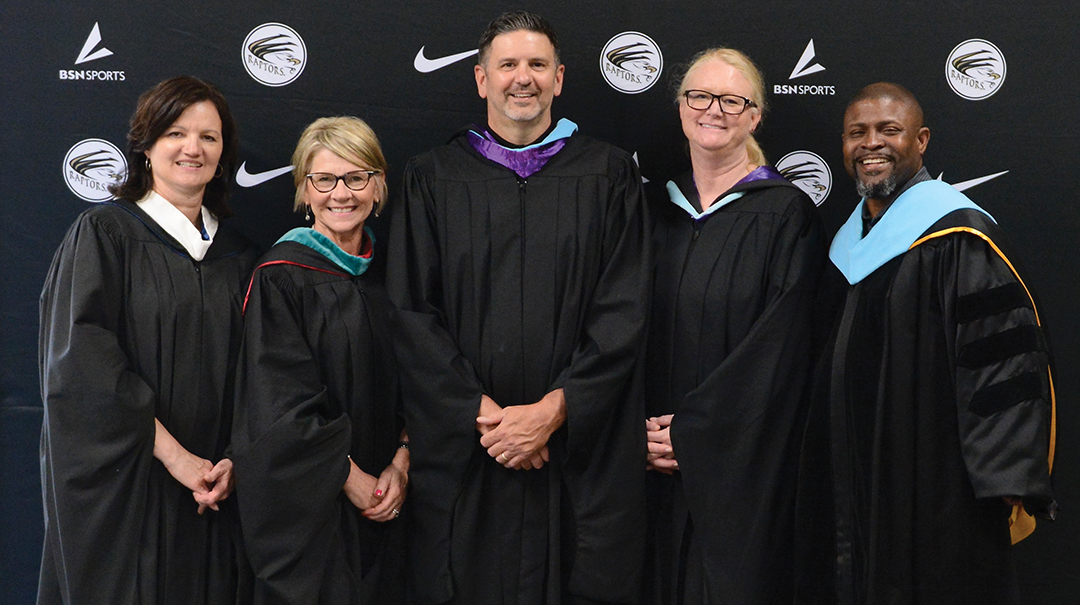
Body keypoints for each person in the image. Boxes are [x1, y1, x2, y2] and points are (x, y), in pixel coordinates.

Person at [387, 11, 651, 605]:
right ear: (481, 79)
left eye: (537, 65)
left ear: (560, 79)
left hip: (574, 457)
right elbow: (411, 311)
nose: (522, 78)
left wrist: (556, 411)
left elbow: (624, 312)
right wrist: (488, 419)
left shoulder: (608, 175)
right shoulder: (433, 178)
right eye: (507, 65)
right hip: (471, 455)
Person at [794, 82, 1056, 605]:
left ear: (921, 140)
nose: (872, 144)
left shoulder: (959, 235)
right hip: (853, 471)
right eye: (857, 133)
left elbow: (1000, 363)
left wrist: (1004, 474)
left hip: (936, 479)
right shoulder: (844, 245)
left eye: (889, 130)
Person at [38, 76, 257, 604]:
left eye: (209, 136)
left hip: (218, 490)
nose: (193, 149)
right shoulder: (105, 235)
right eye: (176, 133)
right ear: (146, 145)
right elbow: (83, 367)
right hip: (135, 482)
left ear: (224, 152)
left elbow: (261, 371)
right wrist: (177, 458)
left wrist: (233, 459)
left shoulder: (241, 257)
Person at [641, 48, 825, 604]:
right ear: (680, 108)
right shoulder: (651, 213)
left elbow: (780, 350)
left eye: (731, 100)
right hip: (644, 465)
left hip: (741, 473)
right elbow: (612, 330)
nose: (713, 110)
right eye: (699, 96)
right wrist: (637, 429)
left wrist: (692, 432)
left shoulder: (786, 215)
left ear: (755, 116)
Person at [231, 116, 407, 604]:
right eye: (324, 180)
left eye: (356, 177)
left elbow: (423, 380)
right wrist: (354, 481)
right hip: (315, 513)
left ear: (378, 186)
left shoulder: (393, 275)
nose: (341, 194)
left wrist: (402, 464)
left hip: (397, 504)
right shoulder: (281, 277)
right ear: (304, 192)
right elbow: (278, 407)